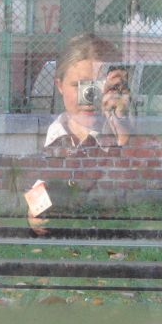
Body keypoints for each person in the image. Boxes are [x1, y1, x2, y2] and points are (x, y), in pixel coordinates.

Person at [27, 33, 132, 233]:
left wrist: (121, 128)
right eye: (79, 86)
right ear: (60, 85)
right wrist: (34, 211)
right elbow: (42, 180)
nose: (89, 97)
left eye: (97, 86)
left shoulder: (117, 132)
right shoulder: (56, 132)